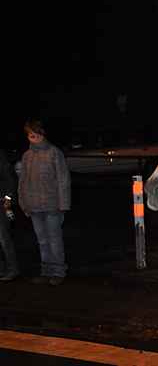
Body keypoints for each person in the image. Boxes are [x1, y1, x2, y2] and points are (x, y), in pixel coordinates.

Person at [18, 119, 72, 286]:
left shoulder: (54, 153)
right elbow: (23, 181)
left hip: (52, 205)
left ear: (42, 134)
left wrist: (63, 205)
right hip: (34, 206)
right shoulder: (27, 156)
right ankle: (46, 270)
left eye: (36, 135)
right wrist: (23, 203)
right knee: (42, 240)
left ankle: (58, 271)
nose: (33, 138)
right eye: (30, 136)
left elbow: (63, 180)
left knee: (54, 239)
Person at [0, 148, 20, 281]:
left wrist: (8, 198)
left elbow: (9, 179)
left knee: (4, 238)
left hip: (2, 203)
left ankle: (12, 269)